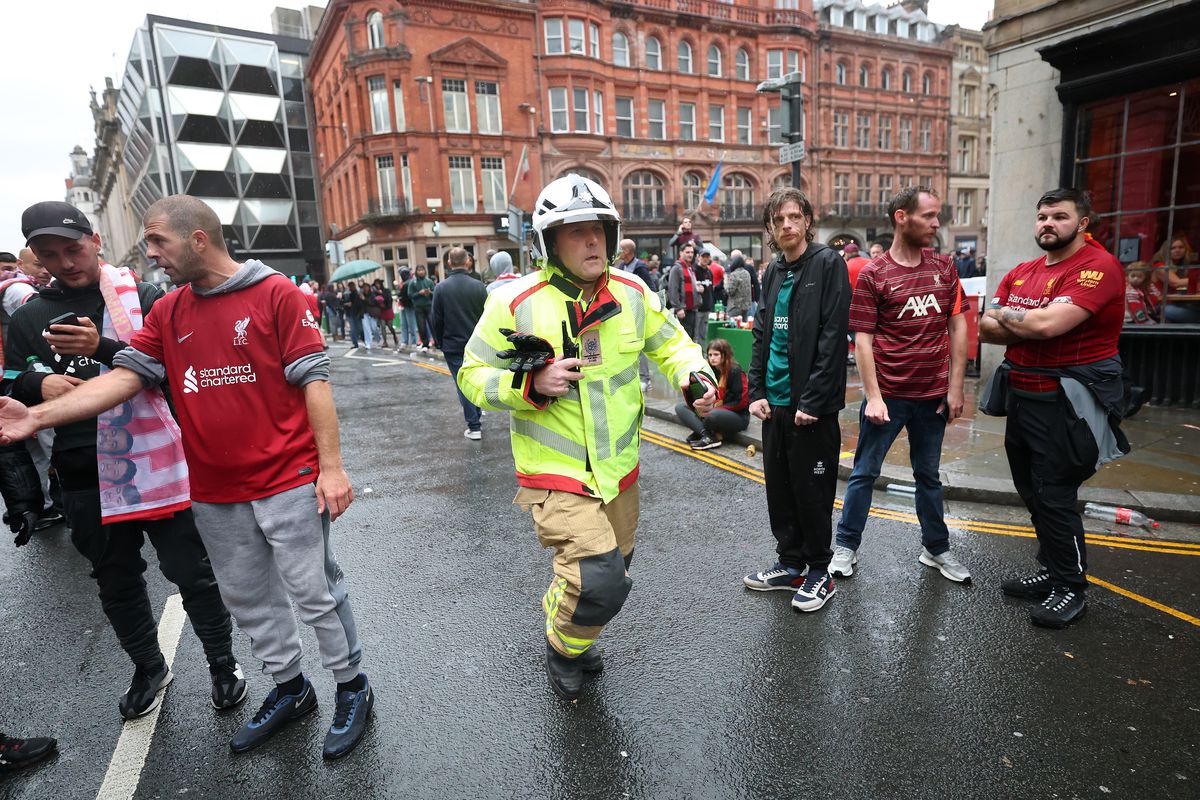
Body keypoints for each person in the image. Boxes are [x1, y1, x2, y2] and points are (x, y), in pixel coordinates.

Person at [0, 195, 372, 758]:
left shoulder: (276, 293)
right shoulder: (170, 312)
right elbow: (124, 377)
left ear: (198, 239)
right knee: (248, 599)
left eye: (158, 243)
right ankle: (292, 689)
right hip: (215, 491)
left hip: (288, 478)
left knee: (314, 593)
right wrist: (38, 415)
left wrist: (334, 469)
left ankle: (352, 688)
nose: (151, 256)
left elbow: (314, 382)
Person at [458, 174, 714, 701]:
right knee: (597, 579)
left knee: (612, 574)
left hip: (619, 471)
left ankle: (576, 629)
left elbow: (674, 345)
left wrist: (696, 378)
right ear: (549, 242)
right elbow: (471, 374)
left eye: (598, 228)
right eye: (575, 231)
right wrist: (529, 383)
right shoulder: (515, 301)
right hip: (556, 475)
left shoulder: (633, 292)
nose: (592, 240)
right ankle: (561, 642)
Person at [5, 201, 243, 720]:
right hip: (80, 466)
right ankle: (148, 666)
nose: (66, 263)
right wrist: (34, 383)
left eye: (73, 249)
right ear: (36, 257)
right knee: (115, 579)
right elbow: (8, 383)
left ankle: (222, 662)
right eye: (50, 255)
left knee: (191, 572)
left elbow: (179, 368)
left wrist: (104, 345)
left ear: (95, 239)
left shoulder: (148, 295)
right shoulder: (27, 317)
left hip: (157, 461)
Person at [979, 187, 1127, 630]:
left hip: (1067, 402)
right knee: (1032, 492)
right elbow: (985, 326)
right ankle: (1052, 569)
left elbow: (1046, 324)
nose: (1048, 224)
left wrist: (1016, 317)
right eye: (1042, 216)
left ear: (1082, 223)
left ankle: (1071, 587)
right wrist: (1029, 322)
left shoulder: (1096, 268)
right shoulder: (1024, 270)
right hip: (1023, 397)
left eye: (1059, 217)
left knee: (1055, 494)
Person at [830, 186, 972, 583]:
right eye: (928, 215)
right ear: (901, 217)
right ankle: (845, 547)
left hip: (933, 397)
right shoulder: (875, 274)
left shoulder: (945, 268)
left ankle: (936, 549)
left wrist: (955, 387)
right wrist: (873, 396)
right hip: (888, 397)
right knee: (864, 473)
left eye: (936, 215)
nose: (936, 223)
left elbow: (958, 325)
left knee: (928, 475)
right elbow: (863, 339)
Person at [742, 188, 850, 613]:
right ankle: (790, 563)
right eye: (779, 219)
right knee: (780, 488)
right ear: (770, 227)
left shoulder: (827, 264)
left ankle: (820, 571)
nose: (787, 225)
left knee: (812, 489)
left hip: (811, 409)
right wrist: (757, 392)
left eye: (794, 217)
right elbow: (761, 333)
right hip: (776, 406)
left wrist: (815, 400)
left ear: (807, 220)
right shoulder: (771, 271)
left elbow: (831, 338)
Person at [432, 247, 488, 440]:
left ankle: (474, 426)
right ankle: (477, 416)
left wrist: (440, 342)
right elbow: (487, 318)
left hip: (453, 345)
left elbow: (436, 320)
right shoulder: (479, 286)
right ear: (467, 262)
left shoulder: (440, 288)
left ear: (449, 263)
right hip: (477, 343)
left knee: (463, 384)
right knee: (476, 379)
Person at [674, 338, 749, 450]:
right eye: (710, 355)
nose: (712, 358)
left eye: (716, 354)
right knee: (680, 407)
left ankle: (702, 432)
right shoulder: (710, 371)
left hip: (737, 416)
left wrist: (715, 408)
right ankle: (707, 435)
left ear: (724, 355)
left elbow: (742, 402)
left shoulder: (735, 370)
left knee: (710, 414)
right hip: (714, 410)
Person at [1152, 234, 1200, 323]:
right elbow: (1176, 283)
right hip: (1159, 306)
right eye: (1172, 248)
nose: (1177, 250)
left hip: (1178, 303)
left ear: (1185, 250)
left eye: (1181, 247)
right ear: (1166, 250)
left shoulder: (1184, 267)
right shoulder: (1159, 265)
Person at [667, 242, 701, 341]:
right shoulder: (676, 268)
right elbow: (673, 290)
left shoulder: (689, 268)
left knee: (692, 336)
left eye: (692, 252)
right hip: (683, 310)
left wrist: (698, 289)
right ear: (681, 253)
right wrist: (678, 308)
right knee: (685, 338)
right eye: (687, 252)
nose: (690, 254)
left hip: (692, 309)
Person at [408, 265, 435, 351]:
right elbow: (410, 295)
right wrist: (419, 293)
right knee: (421, 326)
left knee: (433, 325)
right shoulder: (413, 282)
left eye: (422, 270)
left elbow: (435, 293)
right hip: (418, 307)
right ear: (416, 272)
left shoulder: (429, 281)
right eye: (419, 270)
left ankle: (437, 343)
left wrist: (429, 292)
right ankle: (425, 344)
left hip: (429, 306)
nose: (421, 272)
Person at [694, 249, 715, 345]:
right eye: (703, 257)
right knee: (695, 335)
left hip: (706, 308)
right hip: (697, 308)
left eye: (707, 257)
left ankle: (703, 355)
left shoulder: (709, 272)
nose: (705, 259)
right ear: (699, 257)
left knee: (703, 334)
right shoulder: (694, 270)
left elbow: (711, 289)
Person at [724, 252, 753, 321]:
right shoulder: (747, 273)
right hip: (746, 306)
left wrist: (725, 282)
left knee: (732, 328)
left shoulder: (734, 274)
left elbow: (730, 291)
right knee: (743, 329)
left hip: (735, 306)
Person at [373, 279, 398, 348]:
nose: (377, 285)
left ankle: (394, 336)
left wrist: (382, 294)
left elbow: (389, 299)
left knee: (390, 326)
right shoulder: (375, 292)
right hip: (381, 311)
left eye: (378, 284)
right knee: (383, 327)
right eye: (376, 284)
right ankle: (385, 341)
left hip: (388, 310)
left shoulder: (386, 290)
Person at [345, 281, 365, 349]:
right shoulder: (350, 294)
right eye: (350, 286)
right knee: (353, 329)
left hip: (357, 313)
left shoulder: (358, 293)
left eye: (352, 286)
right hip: (352, 313)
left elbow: (360, 304)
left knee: (359, 329)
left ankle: (364, 340)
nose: (351, 288)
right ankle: (356, 343)